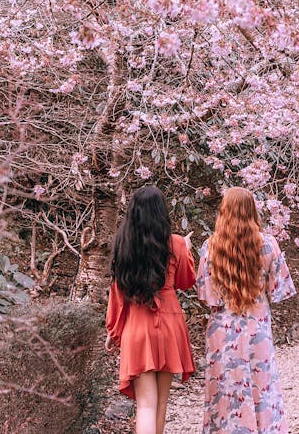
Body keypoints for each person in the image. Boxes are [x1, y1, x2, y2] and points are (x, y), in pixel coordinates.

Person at [196, 187, 296, 433]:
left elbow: (206, 296)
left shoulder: (210, 247)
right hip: (257, 327)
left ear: (224, 211)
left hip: (222, 331)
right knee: (262, 389)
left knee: (225, 391)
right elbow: (280, 290)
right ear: (253, 210)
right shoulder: (268, 245)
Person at [105, 185, 196, 434]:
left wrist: (113, 331)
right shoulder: (175, 243)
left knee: (145, 404)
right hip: (169, 325)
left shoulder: (123, 244)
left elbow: (118, 293)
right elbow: (186, 282)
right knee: (161, 403)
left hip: (137, 326)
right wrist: (185, 251)